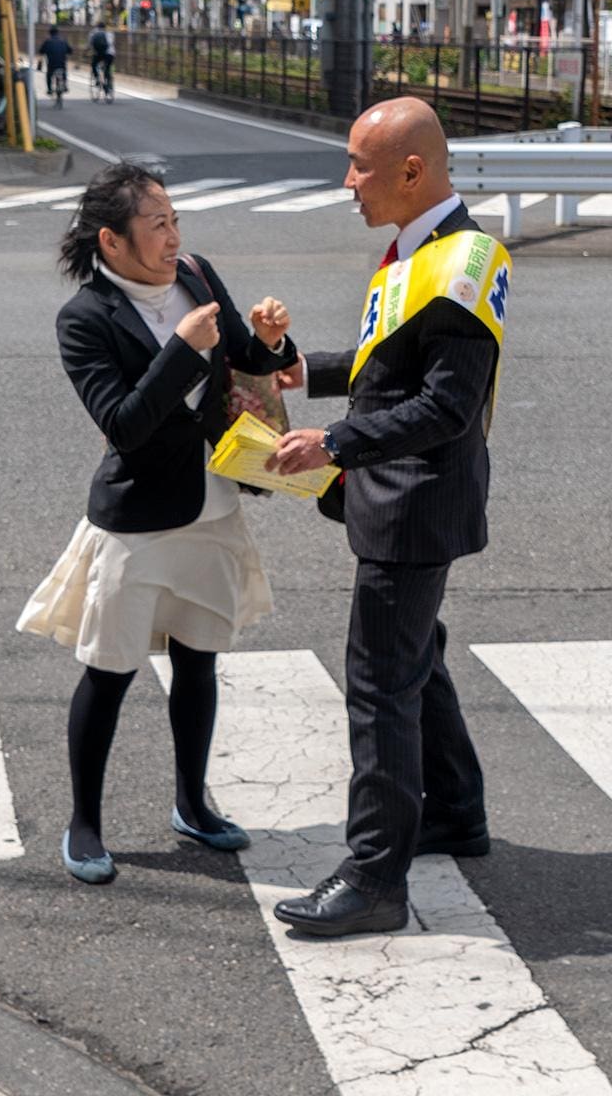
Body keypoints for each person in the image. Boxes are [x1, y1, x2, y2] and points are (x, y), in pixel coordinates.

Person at [267, 96, 511, 937]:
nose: (348, 182)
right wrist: (310, 371)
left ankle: (376, 879)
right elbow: (389, 366)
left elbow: (446, 405)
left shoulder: (466, 262)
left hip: (413, 502)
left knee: (379, 684)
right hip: (404, 494)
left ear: (413, 171)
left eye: (361, 167)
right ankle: (454, 811)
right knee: (416, 660)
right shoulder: (423, 248)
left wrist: (333, 441)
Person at [17, 163, 297, 885]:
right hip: (137, 523)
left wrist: (268, 342)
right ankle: (84, 822)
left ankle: (192, 805)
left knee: (200, 661)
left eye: (175, 220)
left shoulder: (196, 275)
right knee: (108, 674)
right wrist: (182, 350)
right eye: (158, 225)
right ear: (112, 240)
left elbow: (239, 358)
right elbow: (124, 425)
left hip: (211, 505)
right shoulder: (85, 319)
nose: (174, 238)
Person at [37, 25, 73, 95]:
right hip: (62, 63)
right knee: (63, 71)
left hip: (51, 64)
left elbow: (41, 51)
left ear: (50, 33)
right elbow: (70, 51)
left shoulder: (47, 41)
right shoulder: (63, 41)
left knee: (49, 75)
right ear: (58, 32)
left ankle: (49, 89)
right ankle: (64, 85)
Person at [88, 21, 115, 92]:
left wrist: (87, 52)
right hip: (110, 54)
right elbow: (111, 43)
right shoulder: (109, 33)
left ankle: (97, 79)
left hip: (99, 53)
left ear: (97, 27)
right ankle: (108, 82)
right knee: (107, 68)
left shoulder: (93, 33)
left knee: (93, 65)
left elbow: (90, 44)